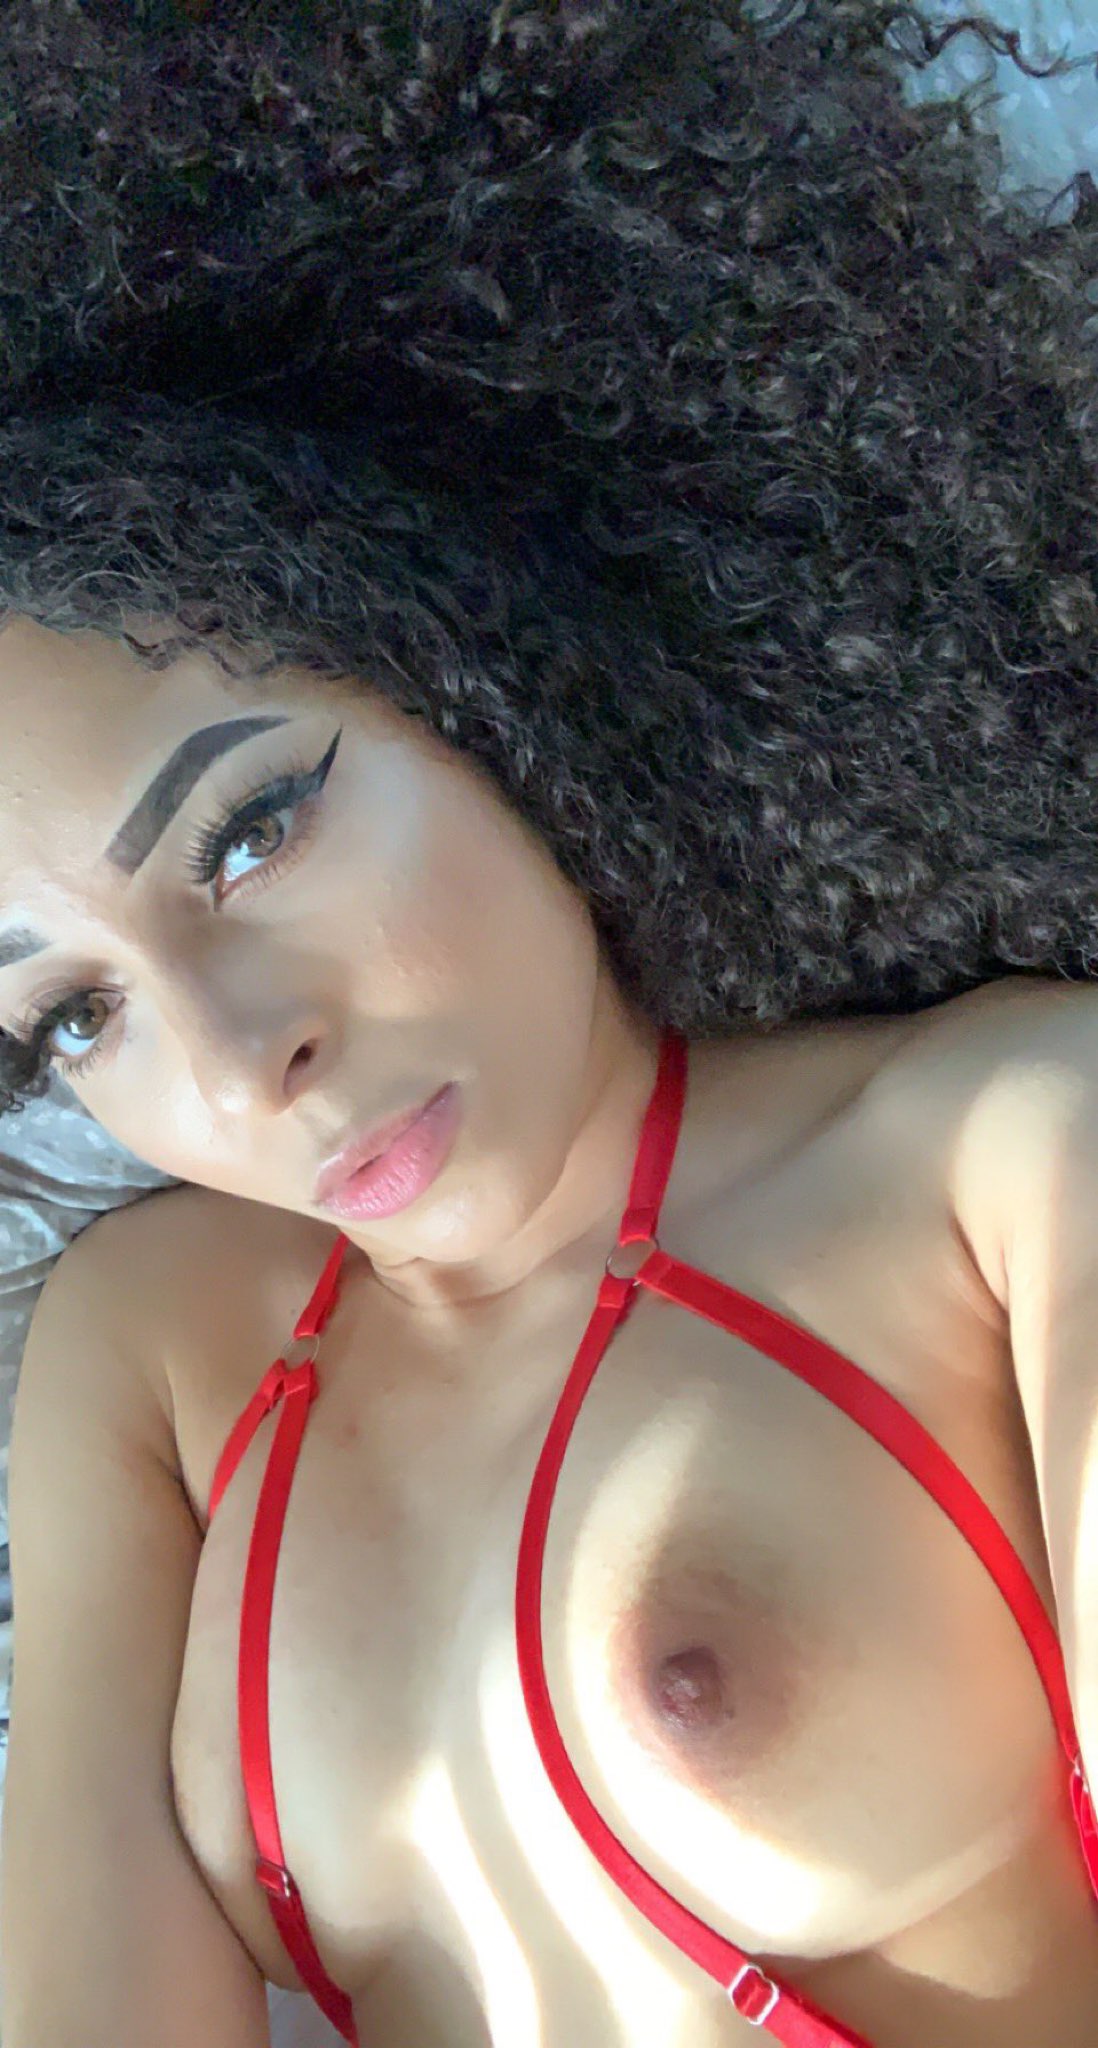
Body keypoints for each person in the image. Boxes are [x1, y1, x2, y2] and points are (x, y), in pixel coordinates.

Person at [1, 2, 1098, 2043]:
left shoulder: (1009, 1147)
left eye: (251, 830)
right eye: (71, 1018)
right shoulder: (145, 1355)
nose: (234, 1063)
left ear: (482, 654)